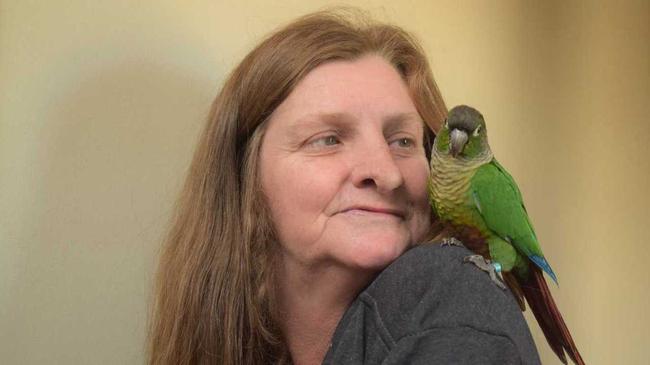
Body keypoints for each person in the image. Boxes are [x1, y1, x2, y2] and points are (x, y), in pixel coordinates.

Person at [148, 9, 540, 365]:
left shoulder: (451, 302)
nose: (386, 173)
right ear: (244, 176)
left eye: (402, 141)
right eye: (329, 139)